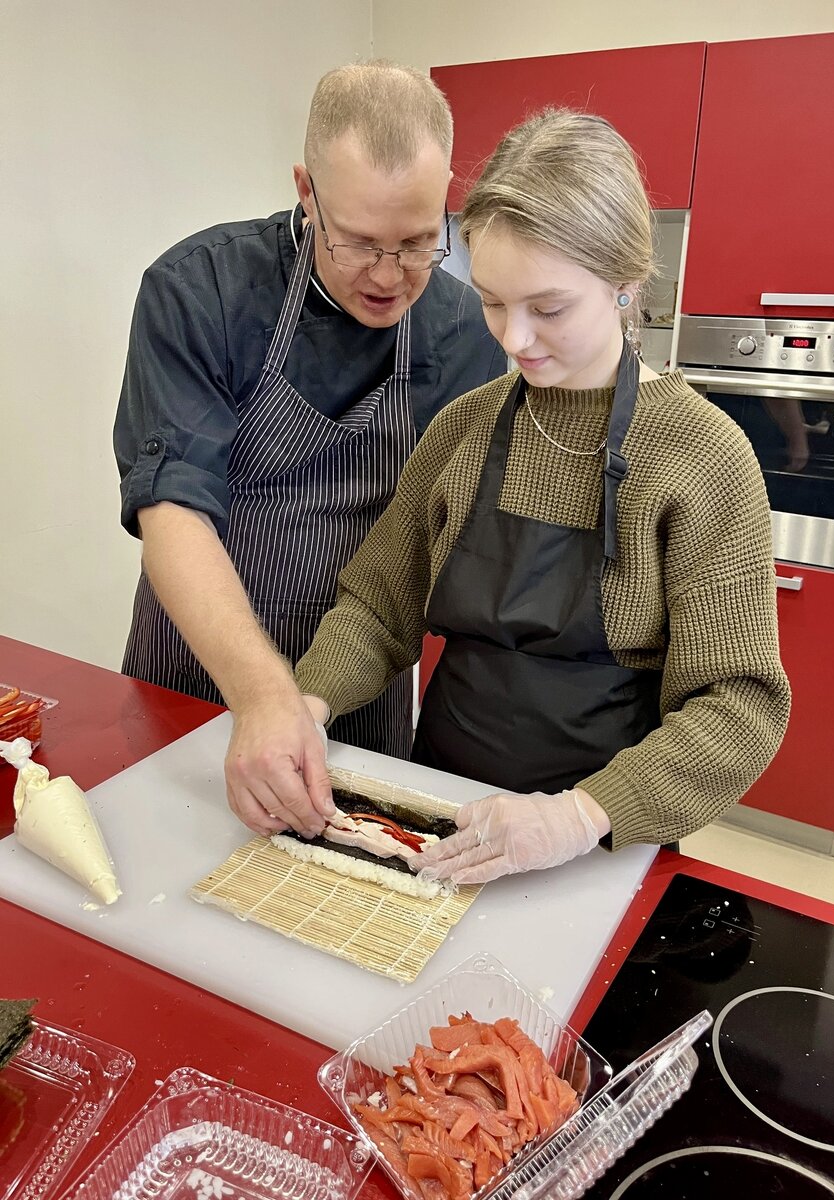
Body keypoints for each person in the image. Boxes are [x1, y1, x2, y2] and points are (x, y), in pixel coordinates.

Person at [295, 108, 792, 882]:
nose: (513, 339)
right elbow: (378, 605)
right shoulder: (464, 429)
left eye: (548, 308)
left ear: (625, 285)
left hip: (600, 845)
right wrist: (306, 706)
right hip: (446, 816)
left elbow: (739, 704)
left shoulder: (703, 456)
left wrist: (578, 815)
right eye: (493, 301)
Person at [114, 62, 506, 838]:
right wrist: (263, 697)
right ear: (306, 190)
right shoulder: (201, 291)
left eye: (419, 243)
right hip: (195, 676)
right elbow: (172, 513)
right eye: (359, 243)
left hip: (359, 696)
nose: (390, 278)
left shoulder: (466, 332)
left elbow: (450, 543)